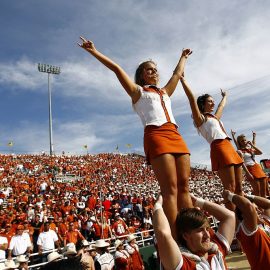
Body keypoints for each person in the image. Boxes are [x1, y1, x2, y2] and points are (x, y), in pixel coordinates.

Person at [78, 37, 193, 237]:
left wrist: (183, 57)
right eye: (149, 69)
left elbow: (177, 74)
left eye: (155, 69)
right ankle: (177, 238)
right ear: (141, 74)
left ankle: (192, 229)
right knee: (171, 189)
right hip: (156, 135)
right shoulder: (137, 92)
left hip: (175, 134)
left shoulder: (165, 91)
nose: (154, 72)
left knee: (184, 186)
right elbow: (116, 69)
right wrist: (94, 51)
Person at [180, 74, 243, 210]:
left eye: (213, 101)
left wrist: (224, 96)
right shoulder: (201, 119)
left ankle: (244, 217)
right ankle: (234, 221)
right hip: (219, 147)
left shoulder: (214, 117)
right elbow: (192, 100)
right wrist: (183, 80)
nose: (213, 103)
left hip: (229, 146)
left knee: (239, 187)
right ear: (202, 104)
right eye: (210, 101)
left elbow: (221, 106)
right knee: (230, 188)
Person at [153, 194, 235, 270]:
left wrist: (198, 202)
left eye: (207, 229)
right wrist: (158, 206)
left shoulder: (217, 252)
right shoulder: (185, 264)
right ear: (185, 236)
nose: (207, 235)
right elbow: (163, 234)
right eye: (200, 230)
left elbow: (230, 216)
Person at [223, 190, 270, 269]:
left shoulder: (266, 221)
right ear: (244, 215)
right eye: (256, 210)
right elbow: (248, 206)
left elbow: (268, 204)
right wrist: (229, 195)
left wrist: (248, 196)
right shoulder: (248, 229)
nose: (259, 210)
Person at [231, 130, 268, 197]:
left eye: (245, 140)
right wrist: (233, 136)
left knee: (264, 191)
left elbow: (260, 152)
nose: (244, 142)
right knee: (257, 191)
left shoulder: (250, 149)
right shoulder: (240, 151)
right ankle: (259, 206)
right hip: (249, 169)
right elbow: (237, 144)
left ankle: (265, 205)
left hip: (257, 167)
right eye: (242, 141)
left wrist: (253, 140)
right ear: (240, 143)